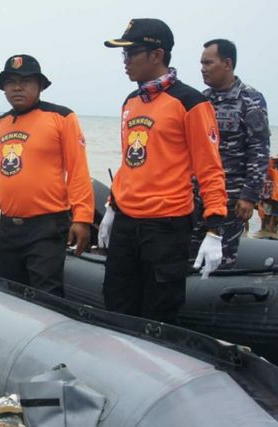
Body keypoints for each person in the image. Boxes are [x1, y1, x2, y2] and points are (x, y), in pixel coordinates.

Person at [100, 19, 227, 324]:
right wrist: (111, 207)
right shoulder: (131, 102)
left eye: (131, 54)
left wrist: (214, 229)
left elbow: (210, 168)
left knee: (159, 312)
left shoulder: (190, 103)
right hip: (127, 224)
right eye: (124, 55)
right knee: (116, 302)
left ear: (156, 55)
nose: (126, 62)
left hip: (166, 227)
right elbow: (130, 164)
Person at [0, 55, 94, 297]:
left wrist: (82, 217)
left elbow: (78, 171)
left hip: (48, 226)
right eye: (10, 82)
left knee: (47, 297)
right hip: (8, 227)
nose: (17, 87)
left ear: (40, 86)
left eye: (26, 81)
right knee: (7, 295)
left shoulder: (62, 118)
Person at [190, 38, 269, 267]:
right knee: (189, 255)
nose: (203, 69)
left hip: (231, 196)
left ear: (227, 63)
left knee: (221, 259)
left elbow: (259, 149)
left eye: (208, 63)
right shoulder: (201, 100)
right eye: (201, 63)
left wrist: (249, 195)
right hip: (197, 194)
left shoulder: (249, 99)